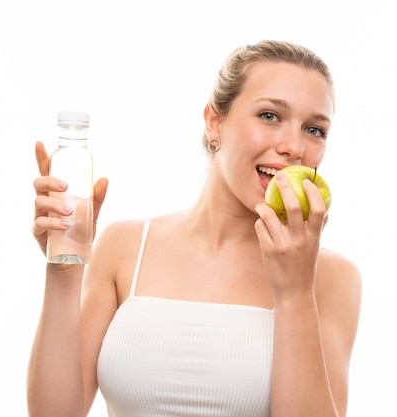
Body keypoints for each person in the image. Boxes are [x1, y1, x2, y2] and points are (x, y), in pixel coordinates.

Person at [27, 40, 362, 417]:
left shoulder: (331, 276)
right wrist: (64, 268)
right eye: (270, 116)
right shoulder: (125, 247)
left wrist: (295, 293)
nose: (294, 147)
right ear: (214, 122)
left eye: (315, 129)